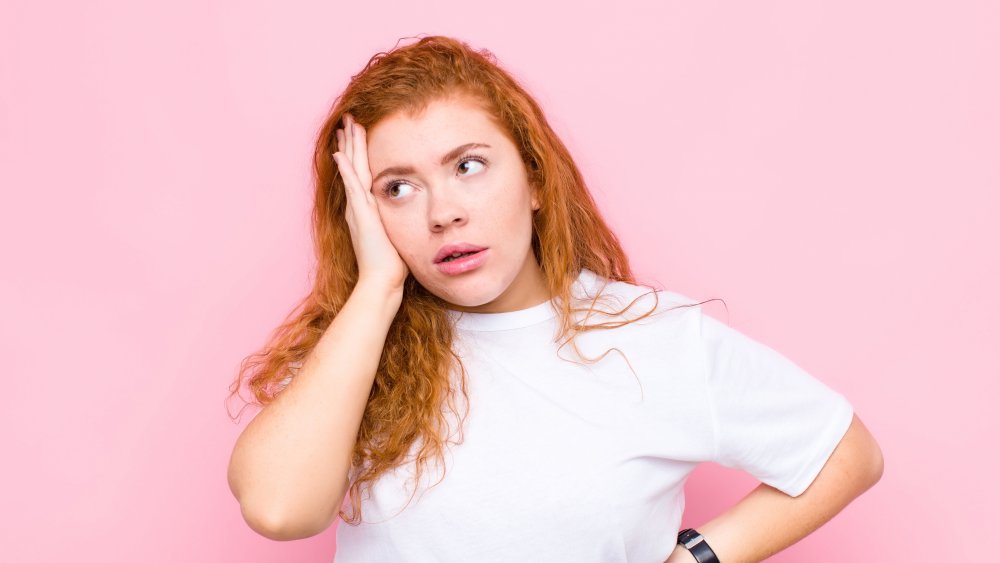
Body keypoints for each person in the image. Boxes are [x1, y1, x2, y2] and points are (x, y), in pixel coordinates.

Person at [226, 35, 884, 563]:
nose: (443, 212)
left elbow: (846, 453)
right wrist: (376, 289)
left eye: (469, 165)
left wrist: (698, 557)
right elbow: (280, 508)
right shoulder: (361, 348)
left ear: (535, 180)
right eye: (398, 187)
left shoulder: (652, 336)